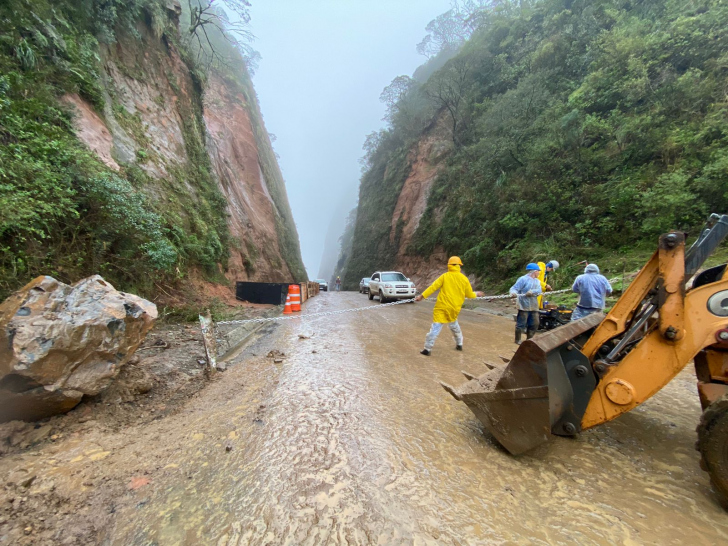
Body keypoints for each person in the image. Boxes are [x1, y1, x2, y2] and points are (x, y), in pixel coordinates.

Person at [414, 256, 485, 356]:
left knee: (435, 328)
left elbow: (433, 287)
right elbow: (469, 295)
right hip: (454, 308)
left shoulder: (445, 276)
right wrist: (477, 293)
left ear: (449, 266)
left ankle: (427, 349)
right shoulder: (464, 279)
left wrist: (421, 296)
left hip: (442, 307)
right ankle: (459, 344)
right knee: (454, 325)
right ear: (459, 266)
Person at [510, 263, 543, 344]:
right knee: (521, 323)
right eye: (538, 271)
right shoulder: (523, 279)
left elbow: (539, 290)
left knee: (535, 323)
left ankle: (529, 340)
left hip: (534, 305)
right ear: (534, 271)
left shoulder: (537, 281)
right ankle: (517, 339)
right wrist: (513, 293)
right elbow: (514, 288)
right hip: (523, 305)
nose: (539, 273)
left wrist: (533, 292)